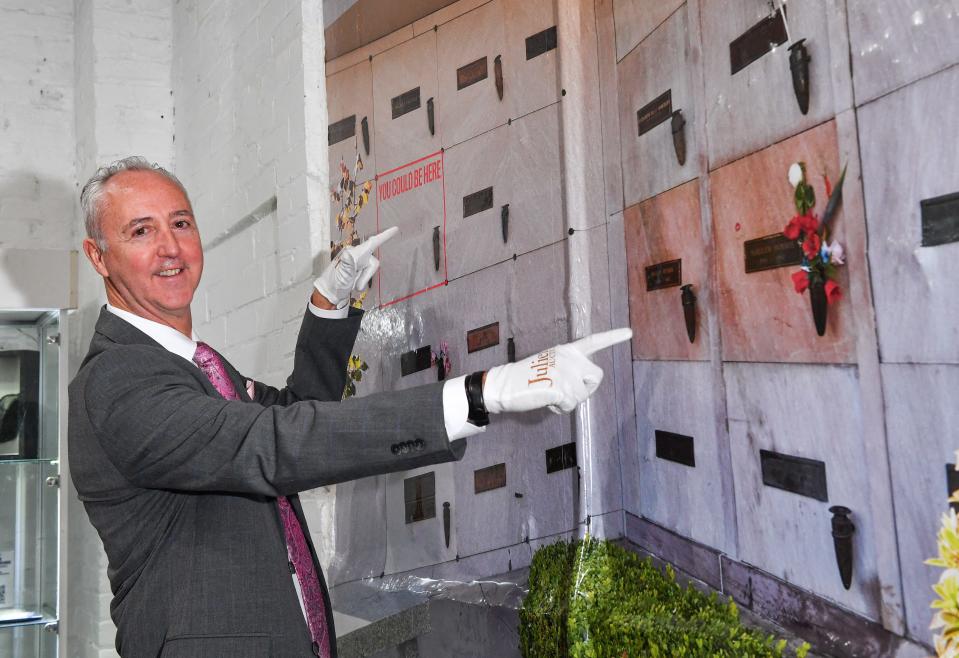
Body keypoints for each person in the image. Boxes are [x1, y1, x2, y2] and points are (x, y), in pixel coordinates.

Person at [69, 156, 630, 657]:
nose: (171, 247)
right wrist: (480, 393)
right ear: (99, 256)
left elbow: (290, 420)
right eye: (142, 231)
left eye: (181, 223)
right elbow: (271, 445)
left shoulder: (190, 362)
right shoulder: (118, 378)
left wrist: (328, 308)